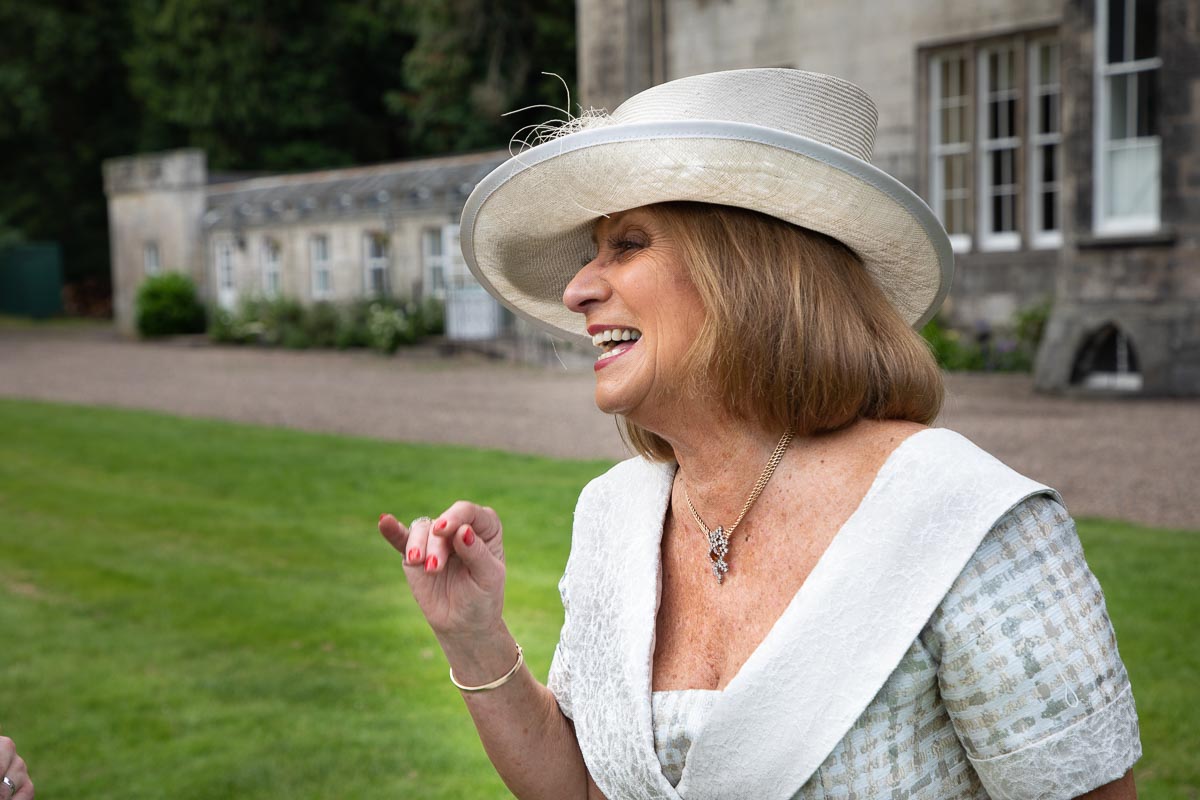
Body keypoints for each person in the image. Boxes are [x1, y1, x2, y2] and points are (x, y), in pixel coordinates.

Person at [378, 69, 1141, 799]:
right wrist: (473, 636)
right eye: (589, 254)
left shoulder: (963, 519)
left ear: (749, 270)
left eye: (628, 245)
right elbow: (587, 788)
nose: (577, 289)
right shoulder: (613, 515)